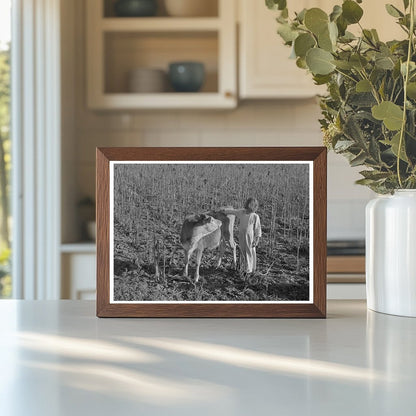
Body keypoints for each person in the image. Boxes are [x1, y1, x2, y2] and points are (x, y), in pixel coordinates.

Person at [222, 198, 262, 275]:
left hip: (250, 236)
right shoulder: (242, 212)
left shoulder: (255, 216)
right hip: (241, 235)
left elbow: (258, 228)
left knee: (249, 251)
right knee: (243, 250)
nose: (249, 208)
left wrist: (256, 239)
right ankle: (244, 267)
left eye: (252, 206)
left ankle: (249, 270)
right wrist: (224, 211)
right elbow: (233, 212)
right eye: (249, 205)